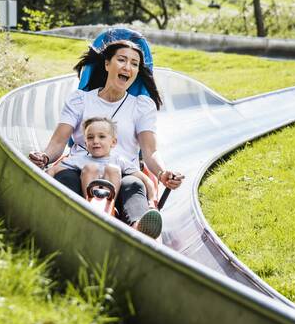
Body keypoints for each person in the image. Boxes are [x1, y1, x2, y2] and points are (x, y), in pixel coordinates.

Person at [28, 28, 183, 238]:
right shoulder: (80, 100)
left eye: (135, 64)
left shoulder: (141, 105)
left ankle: (140, 228)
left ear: (137, 72)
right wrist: (44, 156)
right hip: (79, 164)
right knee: (66, 178)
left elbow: (150, 151)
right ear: (107, 64)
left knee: (134, 186)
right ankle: (63, 223)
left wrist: (163, 174)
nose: (128, 67)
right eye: (121, 60)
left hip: (124, 169)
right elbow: (58, 142)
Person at [45, 117, 157, 205]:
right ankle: (89, 206)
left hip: (112, 201)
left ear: (113, 142)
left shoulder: (119, 160)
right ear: (85, 143)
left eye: (102, 137)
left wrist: (152, 201)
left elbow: (147, 181)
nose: (95, 141)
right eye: (90, 137)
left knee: (112, 169)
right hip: (88, 198)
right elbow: (53, 170)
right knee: (90, 168)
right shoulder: (79, 159)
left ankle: (110, 208)